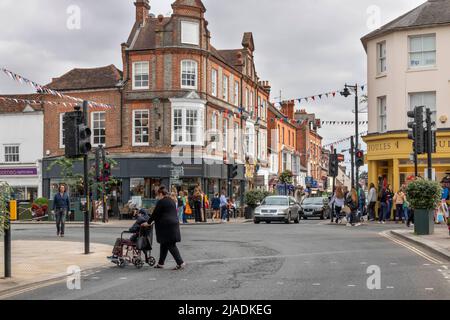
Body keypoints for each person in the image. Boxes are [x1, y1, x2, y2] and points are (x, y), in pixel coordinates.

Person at [143, 186, 185, 270]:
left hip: (166, 226)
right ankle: (160, 263)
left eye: (158, 194)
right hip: (173, 224)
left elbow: (155, 214)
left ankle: (180, 263)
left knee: (170, 244)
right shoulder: (171, 201)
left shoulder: (161, 202)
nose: (157, 196)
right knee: (164, 244)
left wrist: (148, 223)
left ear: (161, 194)